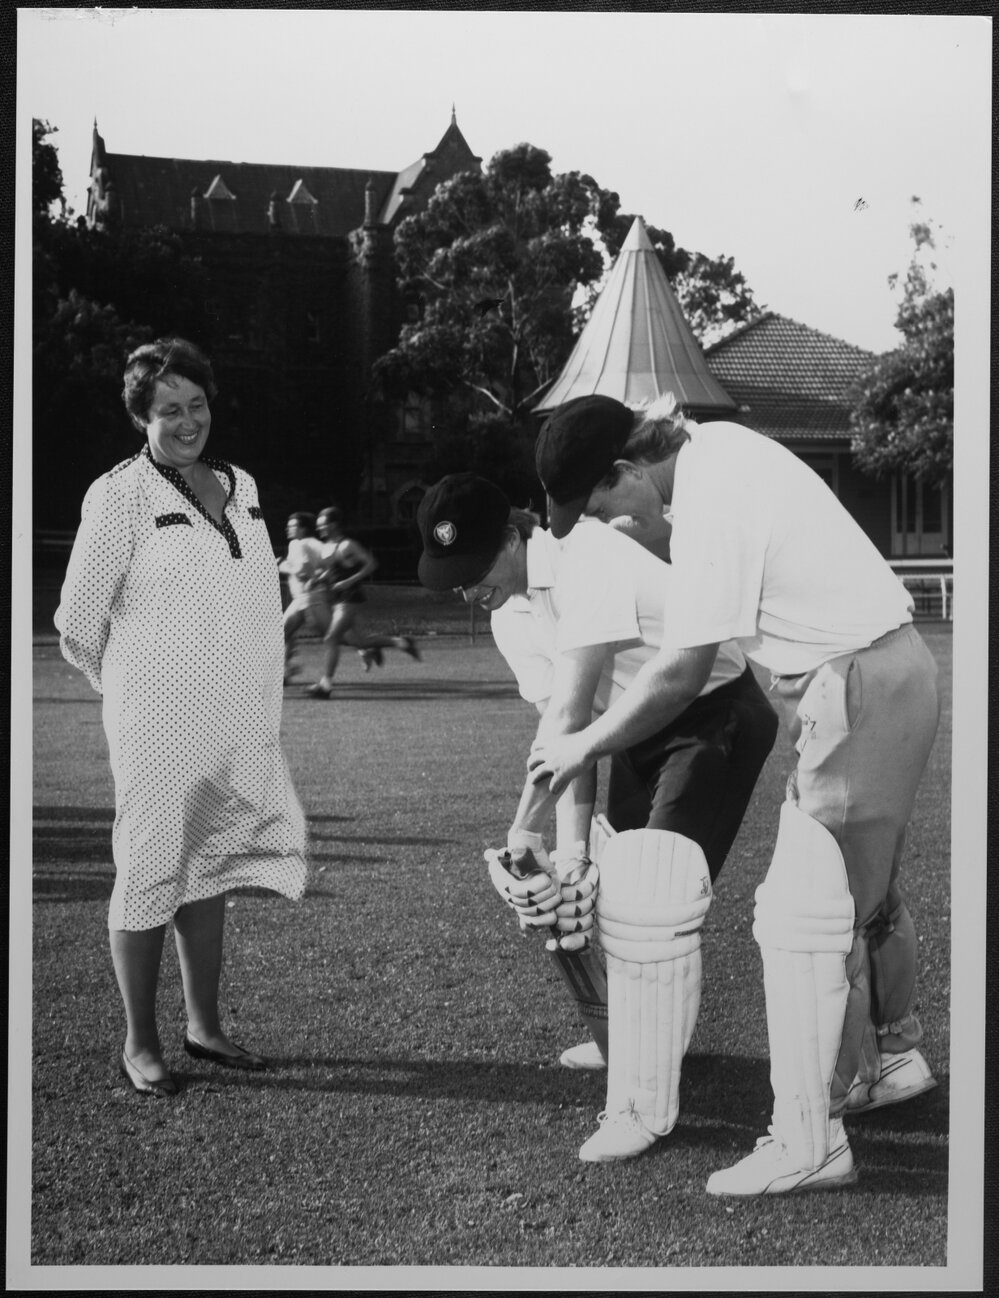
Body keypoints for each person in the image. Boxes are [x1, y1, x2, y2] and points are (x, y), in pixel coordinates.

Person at [528, 393, 941, 1195]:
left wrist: (582, 742)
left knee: (800, 923)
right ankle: (884, 1065)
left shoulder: (709, 497)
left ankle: (808, 1140)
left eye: (605, 503)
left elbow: (681, 671)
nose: (612, 523)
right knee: (849, 905)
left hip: (856, 685)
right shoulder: (716, 446)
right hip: (873, 676)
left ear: (625, 468)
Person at [416, 471, 778, 1162]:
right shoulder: (507, 615)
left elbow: (571, 716)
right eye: (452, 578)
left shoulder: (584, 554)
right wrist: (570, 856)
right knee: (603, 893)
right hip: (631, 731)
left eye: (474, 570)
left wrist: (523, 831)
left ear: (514, 535)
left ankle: (641, 1106)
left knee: (650, 899)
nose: (467, 591)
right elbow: (564, 743)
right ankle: (637, 1039)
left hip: (714, 709)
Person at [54, 337, 309, 1098]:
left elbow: (256, 600)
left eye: (197, 404)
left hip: (237, 720)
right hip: (155, 724)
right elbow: (75, 620)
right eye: (169, 409)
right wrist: (133, 691)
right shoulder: (120, 494)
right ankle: (141, 1042)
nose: (188, 420)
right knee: (147, 870)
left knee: (209, 871)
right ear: (141, 416)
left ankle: (205, 1026)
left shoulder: (245, 483)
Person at [304, 505, 421, 698]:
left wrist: (347, 582)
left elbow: (371, 564)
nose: (319, 528)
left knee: (332, 638)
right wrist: (318, 579)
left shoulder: (347, 545)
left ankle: (325, 686)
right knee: (360, 642)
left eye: (323, 525)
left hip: (351, 598)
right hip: (337, 598)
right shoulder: (327, 547)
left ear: (334, 525)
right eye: (318, 525)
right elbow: (332, 570)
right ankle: (401, 642)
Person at [278, 511, 328, 684]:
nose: (288, 529)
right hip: (306, 598)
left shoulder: (299, 545)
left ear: (303, 529)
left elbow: (303, 571)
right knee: (284, 633)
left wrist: (282, 566)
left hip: (307, 599)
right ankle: (285, 671)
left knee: (331, 634)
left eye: (292, 526)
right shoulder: (313, 543)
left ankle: (365, 647)